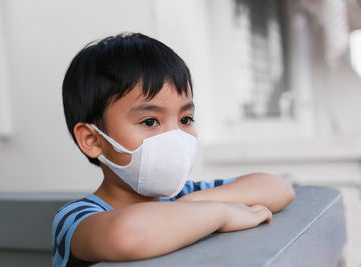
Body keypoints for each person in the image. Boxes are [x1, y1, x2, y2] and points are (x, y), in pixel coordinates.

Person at [53, 32, 295, 267]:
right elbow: (128, 236)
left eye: (185, 119)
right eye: (150, 121)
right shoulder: (76, 218)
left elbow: (278, 188)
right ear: (93, 140)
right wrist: (222, 213)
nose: (175, 136)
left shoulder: (183, 195)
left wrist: (197, 201)